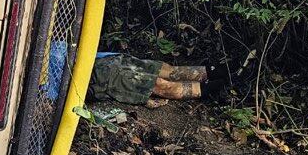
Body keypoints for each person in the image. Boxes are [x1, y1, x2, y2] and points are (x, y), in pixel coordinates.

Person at [89, 53, 223, 105]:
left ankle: (216, 72)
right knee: (161, 86)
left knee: (167, 70)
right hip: (98, 79)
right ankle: (214, 87)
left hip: (103, 61)